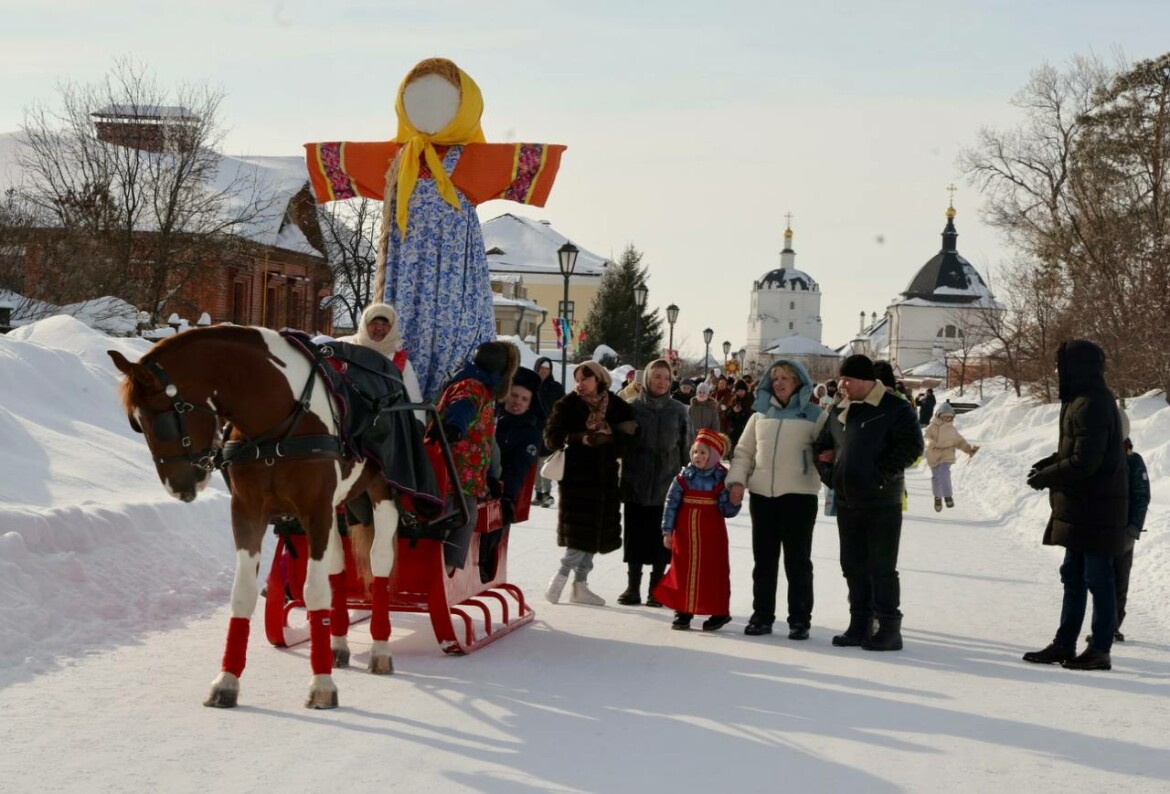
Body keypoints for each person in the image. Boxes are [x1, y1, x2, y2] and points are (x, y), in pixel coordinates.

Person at [303, 57, 566, 400]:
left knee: (453, 333)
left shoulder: (472, 160)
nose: (428, 110)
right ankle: (399, 394)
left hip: (452, 277)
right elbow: (337, 161)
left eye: (444, 101)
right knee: (401, 328)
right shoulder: (395, 160)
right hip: (406, 274)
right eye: (417, 99)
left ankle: (451, 400)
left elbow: (530, 162)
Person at [1023, 340, 1128, 671]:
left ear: (1077, 367)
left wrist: (1048, 477)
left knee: (1098, 578)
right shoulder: (1078, 400)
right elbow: (1076, 451)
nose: (1056, 370)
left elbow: (1086, 462)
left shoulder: (1093, 403)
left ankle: (1100, 649)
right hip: (1080, 507)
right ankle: (1064, 642)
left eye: (1060, 364)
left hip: (1097, 508)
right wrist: (1050, 463)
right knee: (1073, 576)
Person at [814, 354, 924, 652]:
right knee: (852, 565)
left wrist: (879, 475)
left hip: (882, 501)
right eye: (841, 380)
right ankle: (859, 624)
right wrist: (831, 475)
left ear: (865, 381)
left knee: (881, 567)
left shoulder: (895, 407)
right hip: (847, 501)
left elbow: (913, 446)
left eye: (847, 380)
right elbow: (821, 446)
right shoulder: (840, 408)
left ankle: (889, 628)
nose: (842, 386)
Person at [727, 360, 827, 639]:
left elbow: (827, 452)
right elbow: (744, 452)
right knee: (764, 561)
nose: (779, 383)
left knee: (798, 562)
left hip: (799, 497)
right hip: (763, 497)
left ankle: (799, 619)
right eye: (775, 378)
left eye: (786, 378)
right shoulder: (759, 415)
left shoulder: (815, 415)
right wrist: (737, 481)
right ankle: (762, 616)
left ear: (798, 382)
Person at [543, 361, 637, 606]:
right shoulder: (567, 405)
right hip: (577, 479)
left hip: (605, 480)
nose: (580, 384)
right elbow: (551, 438)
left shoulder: (617, 406)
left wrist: (610, 437)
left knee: (594, 533)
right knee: (580, 532)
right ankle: (561, 577)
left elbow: (632, 438)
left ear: (599, 379)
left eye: (586, 379)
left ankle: (580, 586)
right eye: (578, 379)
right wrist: (580, 439)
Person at [429, 341, 519, 570]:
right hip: (455, 468)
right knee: (463, 516)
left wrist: (490, 476)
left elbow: (484, 441)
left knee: (463, 515)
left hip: (466, 469)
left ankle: (445, 565)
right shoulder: (473, 386)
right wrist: (455, 426)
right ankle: (445, 567)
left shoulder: (481, 387)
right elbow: (463, 406)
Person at [618, 359, 692, 606]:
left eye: (666, 378)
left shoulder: (679, 410)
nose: (662, 382)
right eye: (657, 376)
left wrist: (689, 479)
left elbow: (688, 448)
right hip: (635, 482)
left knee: (662, 539)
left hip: (666, 485)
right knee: (635, 537)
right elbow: (619, 444)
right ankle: (632, 588)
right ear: (647, 378)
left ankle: (656, 589)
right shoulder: (631, 408)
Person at [655, 430, 741, 631]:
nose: (698, 456)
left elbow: (726, 511)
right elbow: (671, 504)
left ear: (714, 456)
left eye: (703, 453)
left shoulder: (721, 479)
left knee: (713, 571)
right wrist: (667, 530)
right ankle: (683, 611)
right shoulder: (683, 477)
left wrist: (733, 502)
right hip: (684, 535)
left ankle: (719, 612)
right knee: (683, 569)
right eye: (695, 452)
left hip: (712, 535)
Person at [483, 366, 543, 582]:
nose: (518, 402)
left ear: (530, 403)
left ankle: (485, 567)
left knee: (492, 521)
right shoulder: (490, 416)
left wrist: (507, 495)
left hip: (501, 489)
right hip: (476, 482)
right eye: (514, 395)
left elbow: (519, 467)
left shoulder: (529, 432)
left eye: (524, 399)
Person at [1111, 437, 1150, 641]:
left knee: (1119, 580)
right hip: (1100, 530)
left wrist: (1134, 527)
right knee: (1101, 580)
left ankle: (1112, 626)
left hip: (1125, 532)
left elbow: (1142, 495)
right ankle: (1105, 625)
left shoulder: (1134, 461)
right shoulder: (1101, 455)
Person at [924, 402, 978, 511]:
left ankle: (948, 496)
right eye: (945, 417)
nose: (948, 419)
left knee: (944, 472)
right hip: (933, 453)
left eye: (950, 417)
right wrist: (929, 442)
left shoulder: (952, 429)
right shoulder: (932, 427)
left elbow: (960, 441)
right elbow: (925, 438)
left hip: (947, 452)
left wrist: (968, 449)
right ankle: (937, 497)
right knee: (936, 478)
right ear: (939, 416)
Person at [531, 356, 565, 509]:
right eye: (542, 368)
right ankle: (538, 492)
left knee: (546, 460)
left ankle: (546, 492)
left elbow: (562, 407)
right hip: (533, 428)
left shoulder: (556, 387)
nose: (544, 371)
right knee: (535, 462)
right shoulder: (531, 384)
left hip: (549, 428)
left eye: (547, 369)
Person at [726, 379, 754, 451]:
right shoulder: (733, 400)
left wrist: (743, 411)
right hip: (735, 432)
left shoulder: (750, 399)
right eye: (738, 391)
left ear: (745, 390)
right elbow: (727, 415)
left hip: (747, 430)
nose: (740, 393)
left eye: (742, 390)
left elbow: (752, 414)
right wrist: (733, 411)